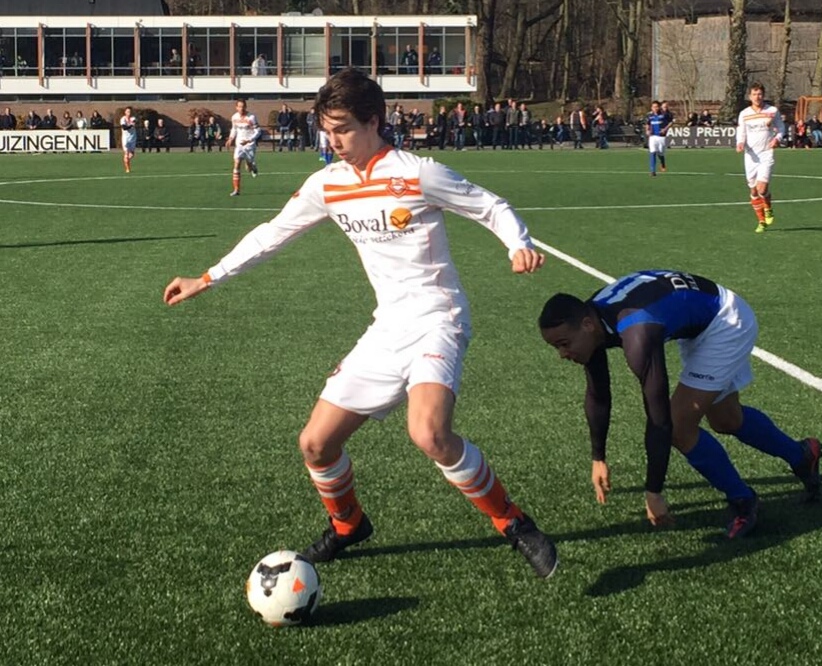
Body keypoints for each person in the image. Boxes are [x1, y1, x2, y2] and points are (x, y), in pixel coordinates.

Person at [161, 68, 558, 578]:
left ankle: (514, 523)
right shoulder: (328, 185)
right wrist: (206, 277)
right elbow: (271, 235)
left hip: (439, 317)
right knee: (315, 444)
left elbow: (490, 206)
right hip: (387, 327)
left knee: (430, 434)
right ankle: (348, 524)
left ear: (375, 121)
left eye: (344, 128)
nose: (334, 141)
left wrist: (517, 243)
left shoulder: (418, 174)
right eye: (327, 131)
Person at [537, 270, 822, 537]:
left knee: (678, 427)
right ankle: (801, 455)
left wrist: (654, 491)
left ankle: (743, 500)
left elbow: (659, 418)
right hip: (698, 324)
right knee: (726, 419)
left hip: (724, 322)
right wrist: (598, 457)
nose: (562, 354)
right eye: (555, 347)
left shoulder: (639, 331)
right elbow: (598, 394)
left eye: (564, 344)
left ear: (587, 325)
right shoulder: (591, 320)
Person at [735, 82, 785, 233]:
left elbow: (781, 128)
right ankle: (761, 221)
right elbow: (741, 131)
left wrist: (777, 138)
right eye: (754, 94)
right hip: (750, 156)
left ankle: (768, 208)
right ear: (750, 96)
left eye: (760, 94)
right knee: (753, 191)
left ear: (763, 95)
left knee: (762, 188)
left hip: (766, 153)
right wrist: (740, 143)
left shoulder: (772, 111)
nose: (757, 97)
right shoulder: (744, 114)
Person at [225, 99, 261, 196]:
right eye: (239, 106)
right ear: (236, 107)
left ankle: (253, 166)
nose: (241, 108)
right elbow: (234, 129)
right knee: (236, 163)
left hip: (249, 145)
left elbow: (258, 131)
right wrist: (230, 139)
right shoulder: (234, 117)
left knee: (248, 168)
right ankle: (236, 190)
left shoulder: (251, 117)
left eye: (243, 106)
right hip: (239, 145)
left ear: (246, 107)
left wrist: (250, 139)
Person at [644, 101, 670, 176]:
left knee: (661, 153)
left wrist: (665, 129)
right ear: (651, 108)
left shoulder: (664, 115)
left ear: (659, 107)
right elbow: (647, 124)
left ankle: (662, 163)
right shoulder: (650, 116)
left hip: (661, 137)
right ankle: (652, 171)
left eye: (656, 107)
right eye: (653, 107)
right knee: (653, 152)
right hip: (652, 137)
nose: (655, 108)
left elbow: (670, 122)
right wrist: (647, 130)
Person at [119, 107, 137, 173]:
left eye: (130, 111)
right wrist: (131, 125)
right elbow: (124, 128)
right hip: (125, 138)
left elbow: (134, 122)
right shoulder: (123, 119)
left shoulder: (133, 118)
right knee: (126, 153)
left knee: (131, 154)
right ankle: (127, 169)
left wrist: (132, 125)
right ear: (125, 112)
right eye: (128, 111)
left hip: (133, 137)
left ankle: (126, 160)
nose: (129, 113)